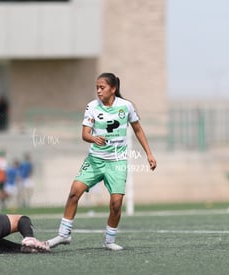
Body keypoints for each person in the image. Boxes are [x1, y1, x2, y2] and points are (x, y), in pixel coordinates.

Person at [46, 73, 157, 251]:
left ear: (113, 89)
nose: (98, 91)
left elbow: (138, 130)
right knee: (74, 192)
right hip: (95, 160)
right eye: (97, 87)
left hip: (117, 162)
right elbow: (85, 134)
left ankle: (109, 240)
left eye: (102, 87)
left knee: (116, 203)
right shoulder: (91, 106)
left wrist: (149, 154)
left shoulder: (126, 106)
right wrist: (93, 138)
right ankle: (64, 234)